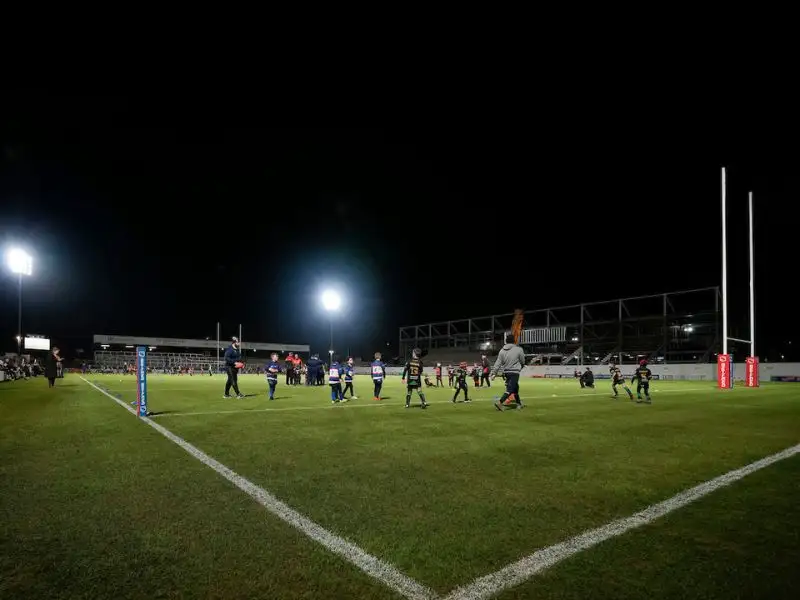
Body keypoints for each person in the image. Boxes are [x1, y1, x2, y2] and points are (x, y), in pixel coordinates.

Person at [491, 333, 525, 411]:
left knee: (515, 388)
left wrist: (493, 373)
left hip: (506, 372)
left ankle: (519, 404)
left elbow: (498, 363)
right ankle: (500, 402)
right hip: (515, 372)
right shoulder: (519, 349)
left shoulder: (502, 351)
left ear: (506, 341)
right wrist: (522, 365)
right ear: (514, 341)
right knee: (510, 389)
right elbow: (522, 360)